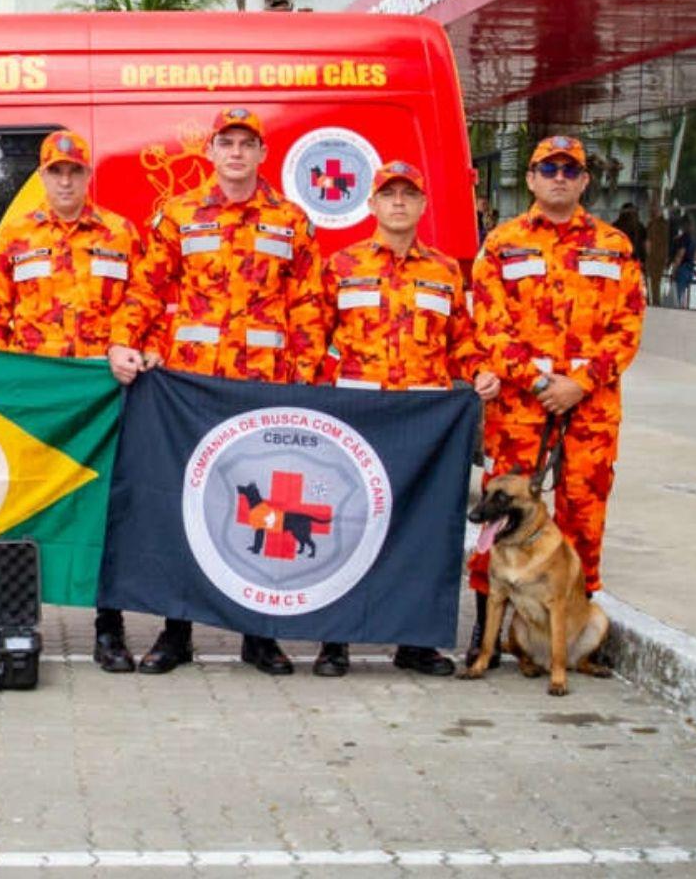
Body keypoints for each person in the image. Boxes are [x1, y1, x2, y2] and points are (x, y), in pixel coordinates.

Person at [108, 106, 328, 676]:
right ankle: (174, 631)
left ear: (262, 153)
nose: (235, 152)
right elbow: (146, 288)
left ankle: (259, 635)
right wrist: (122, 342)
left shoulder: (290, 219)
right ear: (211, 152)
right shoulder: (178, 214)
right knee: (190, 501)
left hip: (265, 385)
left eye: (246, 143)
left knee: (268, 511)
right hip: (193, 385)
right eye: (225, 142)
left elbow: (309, 302)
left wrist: (306, 375)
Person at [317, 160, 499, 678]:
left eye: (408, 195)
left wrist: (481, 371)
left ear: (422, 205)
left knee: (423, 531)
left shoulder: (444, 271)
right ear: (371, 204)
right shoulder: (341, 265)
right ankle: (336, 639)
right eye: (388, 194)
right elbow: (312, 335)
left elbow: (461, 341)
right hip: (358, 417)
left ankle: (415, 642)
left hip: (426, 425)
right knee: (348, 526)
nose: (398, 203)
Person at [467, 135, 645, 663]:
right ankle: (488, 634)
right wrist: (543, 384)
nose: (559, 178)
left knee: (583, 516)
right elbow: (489, 325)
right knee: (501, 517)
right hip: (522, 411)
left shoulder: (614, 245)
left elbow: (628, 325)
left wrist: (581, 385)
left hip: (590, 411)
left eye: (571, 170)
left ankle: (574, 638)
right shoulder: (503, 243)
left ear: (586, 180)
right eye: (549, 169)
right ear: (531, 178)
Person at [0, 130, 144, 672]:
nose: (65, 180)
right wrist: (5, 383)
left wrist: (124, 341)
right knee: (23, 508)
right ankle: (14, 624)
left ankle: (109, 629)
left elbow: (143, 300)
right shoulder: (17, 236)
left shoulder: (120, 233)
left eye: (75, 171)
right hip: (35, 400)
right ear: (43, 176)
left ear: (87, 175)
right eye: (55, 172)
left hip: (100, 401)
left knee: (101, 515)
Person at [668, 213, 696, 308]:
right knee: (681, 296)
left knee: (676, 297)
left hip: (682, 269)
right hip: (690, 269)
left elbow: (680, 255)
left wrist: (674, 269)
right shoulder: (692, 238)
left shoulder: (684, 238)